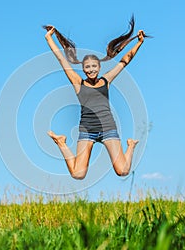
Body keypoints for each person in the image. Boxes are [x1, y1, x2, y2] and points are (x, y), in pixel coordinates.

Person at [44, 20, 145, 180]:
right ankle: (61, 142)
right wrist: (49, 38)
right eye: (87, 67)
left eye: (94, 67)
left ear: (99, 68)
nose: (91, 70)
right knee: (78, 174)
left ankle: (131, 145)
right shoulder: (78, 82)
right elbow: (61, 60)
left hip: (108, 128)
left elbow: (124, 61)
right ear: (83, 69)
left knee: (123, 171)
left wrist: (139, 43)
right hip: (87, 130)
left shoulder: (106, 80)